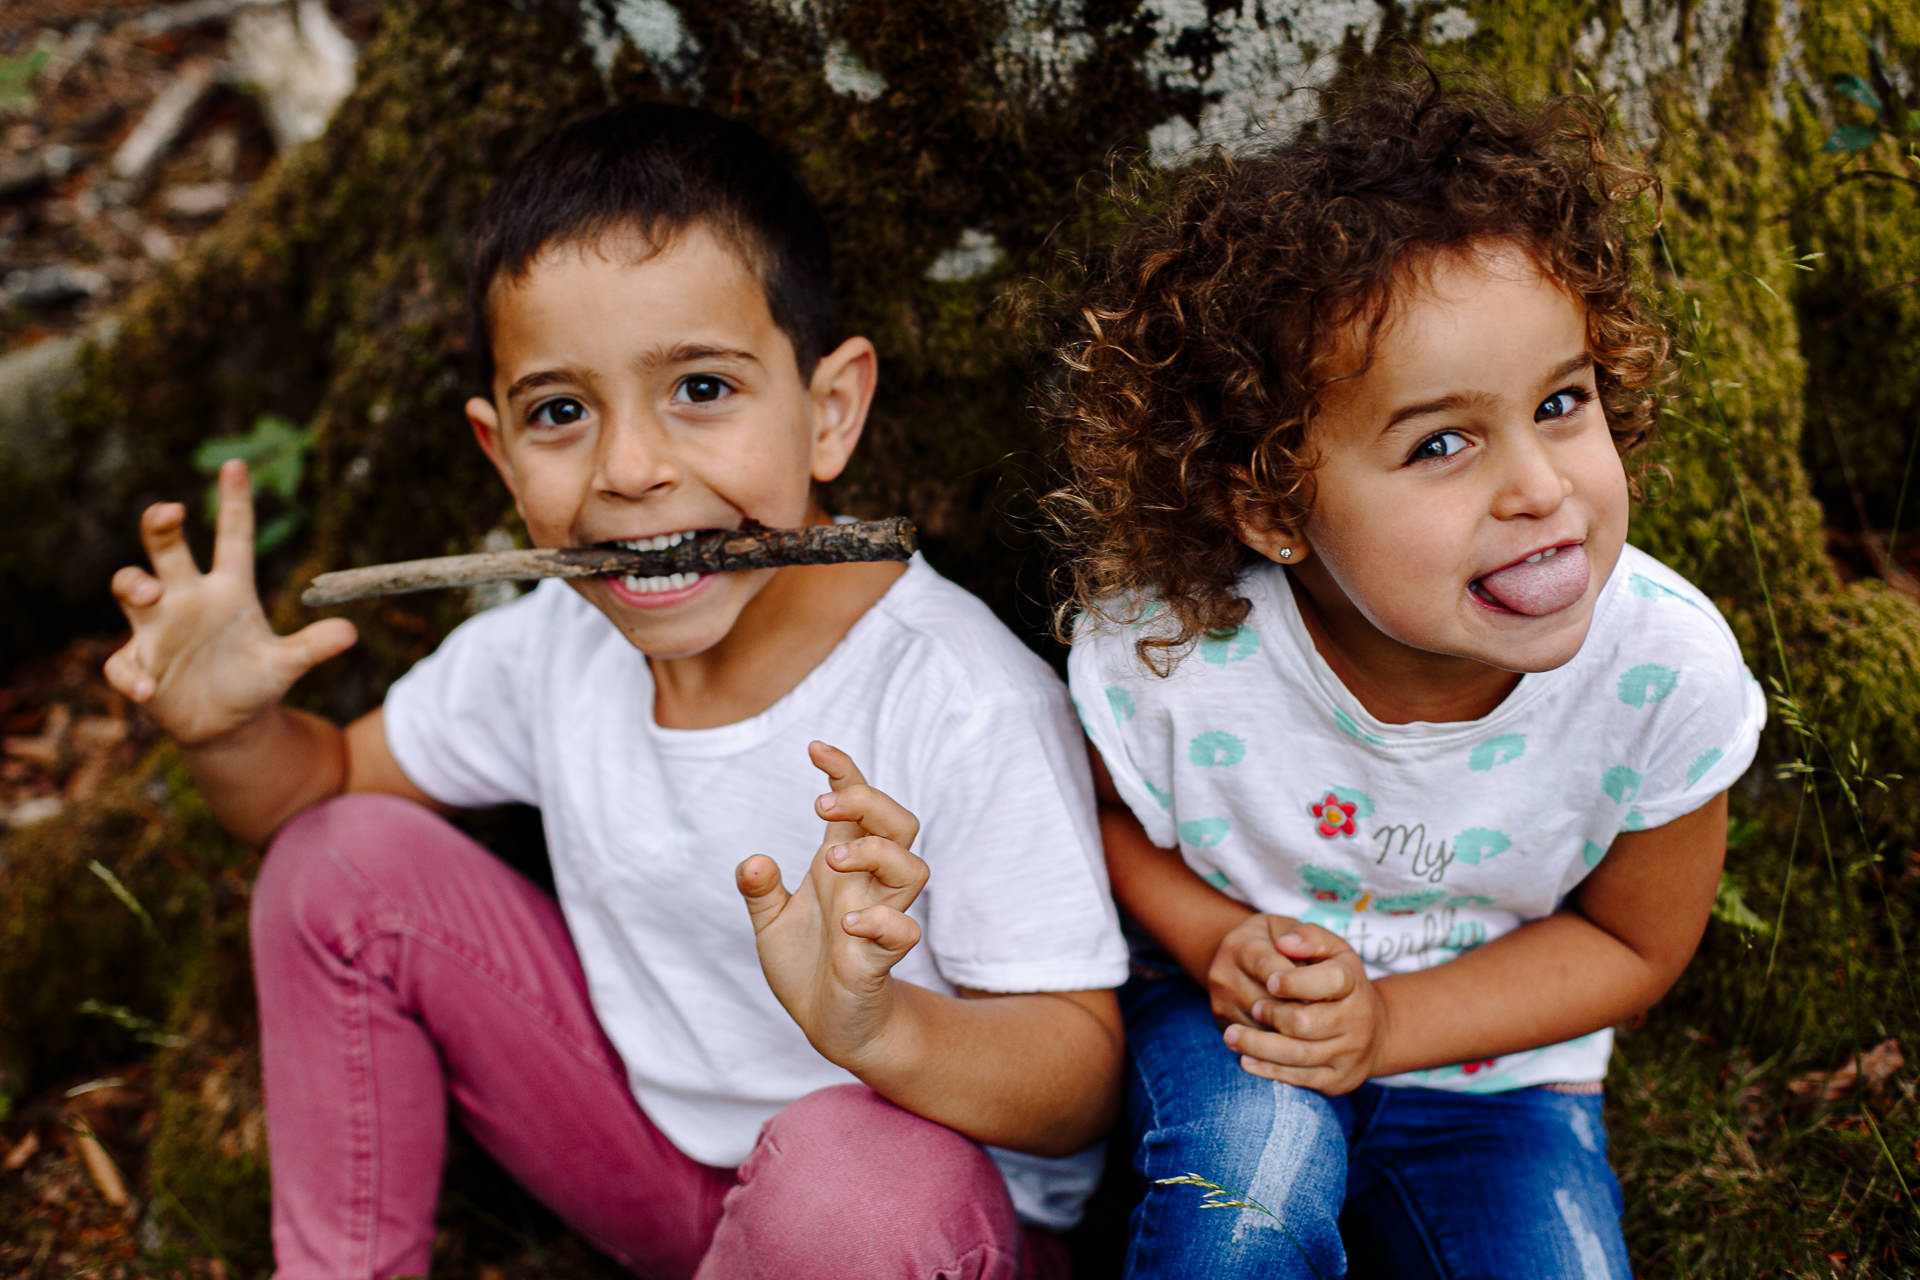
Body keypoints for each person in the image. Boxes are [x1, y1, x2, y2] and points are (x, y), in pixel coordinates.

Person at [104, 103, 1127, 1280]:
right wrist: (232, 729)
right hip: (658, 1169)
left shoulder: (952, 692)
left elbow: (1080, 1079)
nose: (630, 469)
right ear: (499, 453)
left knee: (856, 1179)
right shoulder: (554, 649)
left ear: (830, 410)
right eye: (560, 412)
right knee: (334, 864)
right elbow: (317, 789)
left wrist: (879, 1029)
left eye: (701, 387)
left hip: (909, 1229)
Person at [1051, 62, 1766, 1280]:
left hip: (1499, 1082)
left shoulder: (1662, 672)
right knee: (1248, 1199)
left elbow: (1637, 946)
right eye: (1442, 441)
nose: (1538, 485)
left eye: (1562, 400)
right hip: (1240, 1029)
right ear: (1274, 505)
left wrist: (1387, 1025)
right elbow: (1106, 818)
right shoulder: (1176, 655)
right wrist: (1223, 937)